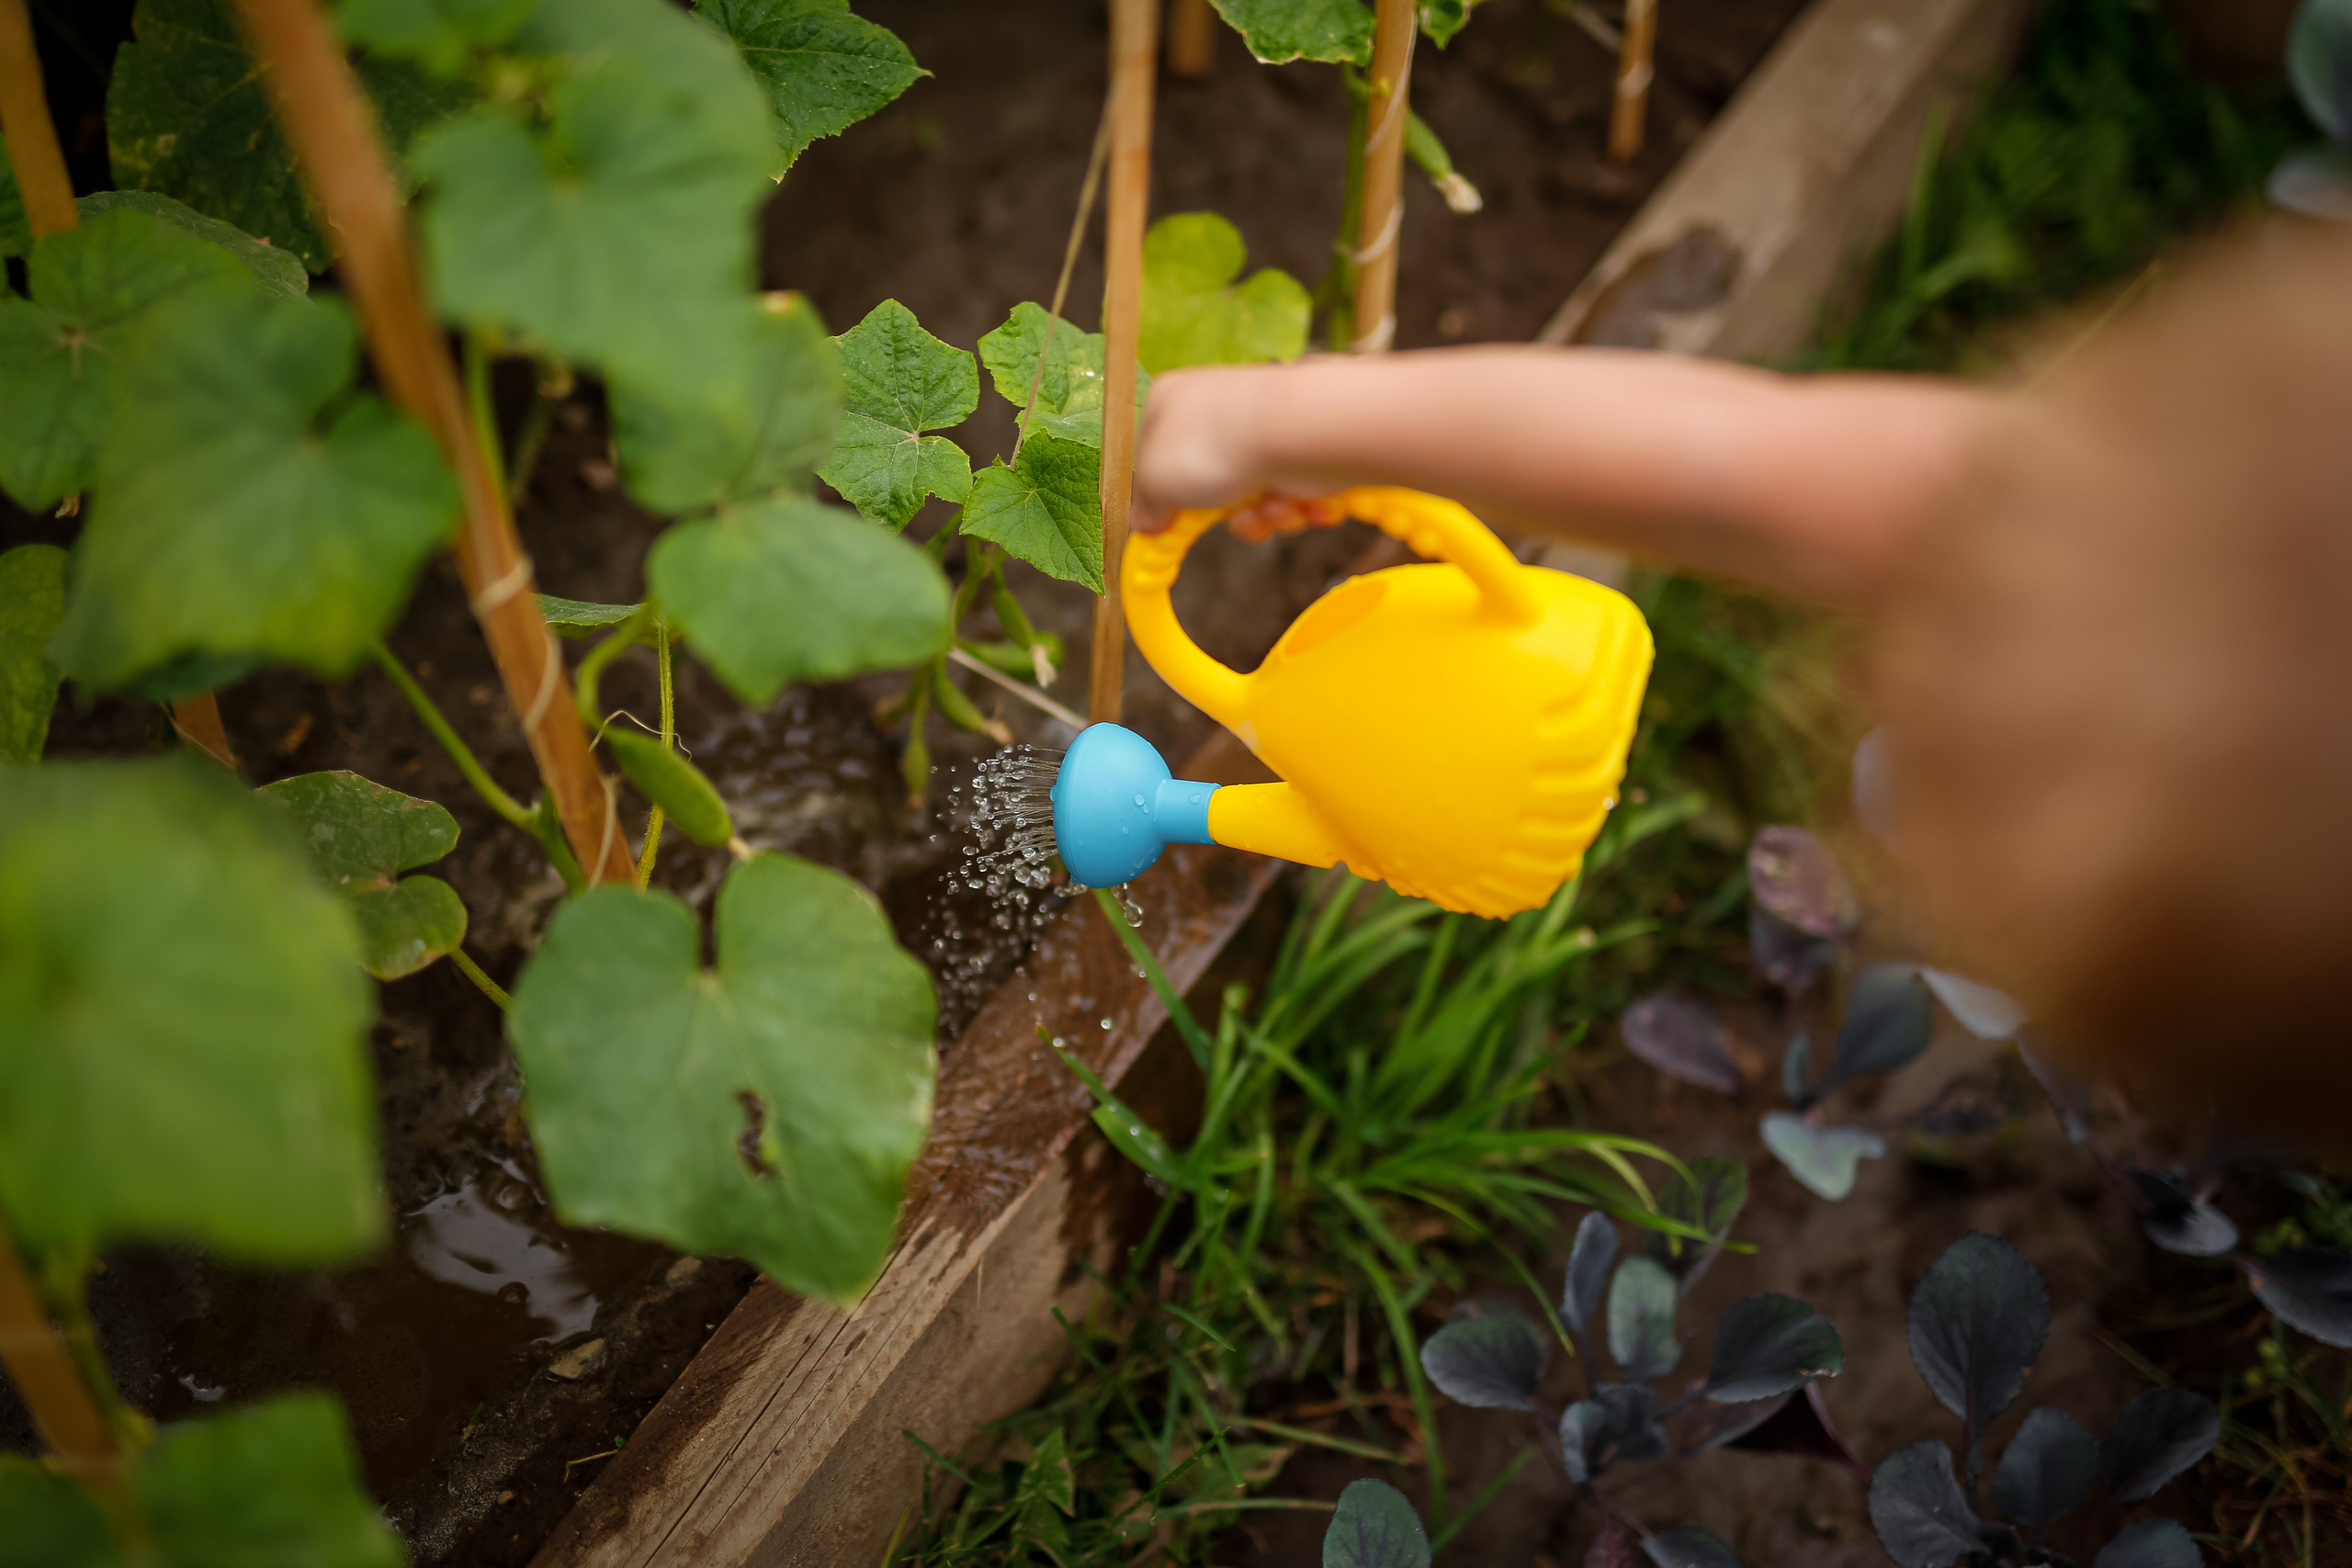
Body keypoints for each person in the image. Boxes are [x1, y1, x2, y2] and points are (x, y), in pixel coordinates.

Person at [1130, 221, 2352, 1142]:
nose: (1862, 672)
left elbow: (1715, 462)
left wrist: (1283, 418)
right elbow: (1709, 465)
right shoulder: (2128, 534)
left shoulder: (2150, 536)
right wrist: (1285, 417)